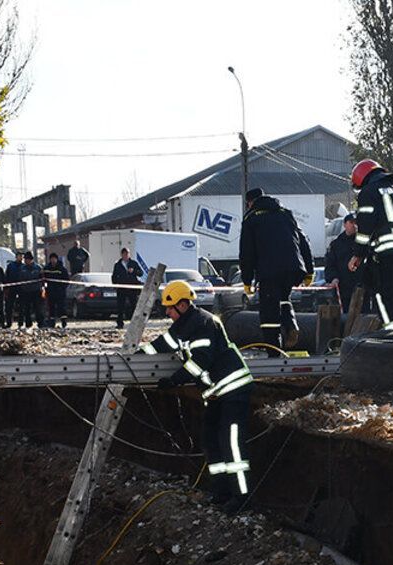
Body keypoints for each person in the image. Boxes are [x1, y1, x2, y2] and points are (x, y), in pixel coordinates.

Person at [141, 280, 253, 512]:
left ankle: (241, 497)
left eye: (170, 308)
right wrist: (136, 356)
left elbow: (201, 361)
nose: (168, 312)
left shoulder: (203, 323)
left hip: (233, 389)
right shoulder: (183, 326)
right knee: (211, 441)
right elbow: (161, 344)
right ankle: (222, 491)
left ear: (183, 305)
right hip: (216, 394)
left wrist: (174, 380)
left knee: (231, 444)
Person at [239, 187, 313, 353]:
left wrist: (246, 280)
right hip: (293, 268)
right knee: (284, 298)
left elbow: (247, 252)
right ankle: (291, 324)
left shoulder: (251, 219)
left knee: (268, 313)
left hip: (268, 271)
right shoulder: (286, 214)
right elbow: (303, 242)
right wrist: (309, 270)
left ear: (250, 203)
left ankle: (274, 352)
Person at [347, 159, 393, 327]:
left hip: (386, 253)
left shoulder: (369, 192)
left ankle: (392, 336)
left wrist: (358, 254)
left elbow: (364, 228)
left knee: (383, 295)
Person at [324, 214, 360, 313]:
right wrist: (333, 278)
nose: (354, 225)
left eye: (356, 223)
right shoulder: (336, 244)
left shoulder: (362, 244)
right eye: (351, 222)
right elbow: (330, 265)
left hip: (361, 288)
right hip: (344, 289)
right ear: (344, 224)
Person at [111, 247, 144, 328]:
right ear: (122, 254)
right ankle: (120, 324)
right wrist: (115, 285)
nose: (126, 255)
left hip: (132, 288)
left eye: (128, 254)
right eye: (125, 254)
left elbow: (141, 273)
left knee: (134, 306)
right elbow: (114, 276)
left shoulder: (133, 263)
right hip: (121, 288)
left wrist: (134, 271)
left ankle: (135, 324)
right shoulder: (118, 264)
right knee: (120, 307)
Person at [16, 251, 45, 328]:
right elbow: (20, 279)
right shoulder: (22, 268)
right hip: (26, 292)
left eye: (27, 259)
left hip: (36, 291)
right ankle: (28, 324)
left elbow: (42, 279)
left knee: (38, 309)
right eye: (25, 259)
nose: (25, 261)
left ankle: (40, 323)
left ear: (31, 259)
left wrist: (42, 289)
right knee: (27, 309)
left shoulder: (38, 268)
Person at [42, 253, 70, 329]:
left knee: (62, 307)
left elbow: (66, 280)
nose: (53, 260)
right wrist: (45, 288)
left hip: (60, 292)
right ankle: (52, 322)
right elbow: (43, 279)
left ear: (57, 259)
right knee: (51, 308)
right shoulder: (47, 268)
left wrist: (62, 288)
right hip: (50, 292)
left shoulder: (62, 269)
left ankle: (63, 322)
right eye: (51, 259)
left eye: (54, 258)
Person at [2, 252, 21, 328]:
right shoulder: (10, 266)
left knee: (21, 306)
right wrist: (6, 288)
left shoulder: (23, 266)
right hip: (11, 288)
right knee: (9, 306)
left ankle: (20, 323)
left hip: (21, 289)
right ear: (16, 257)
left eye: (21, 257)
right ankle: (9, 323)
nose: (21, 258)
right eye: (19, 256)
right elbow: (6, 277)